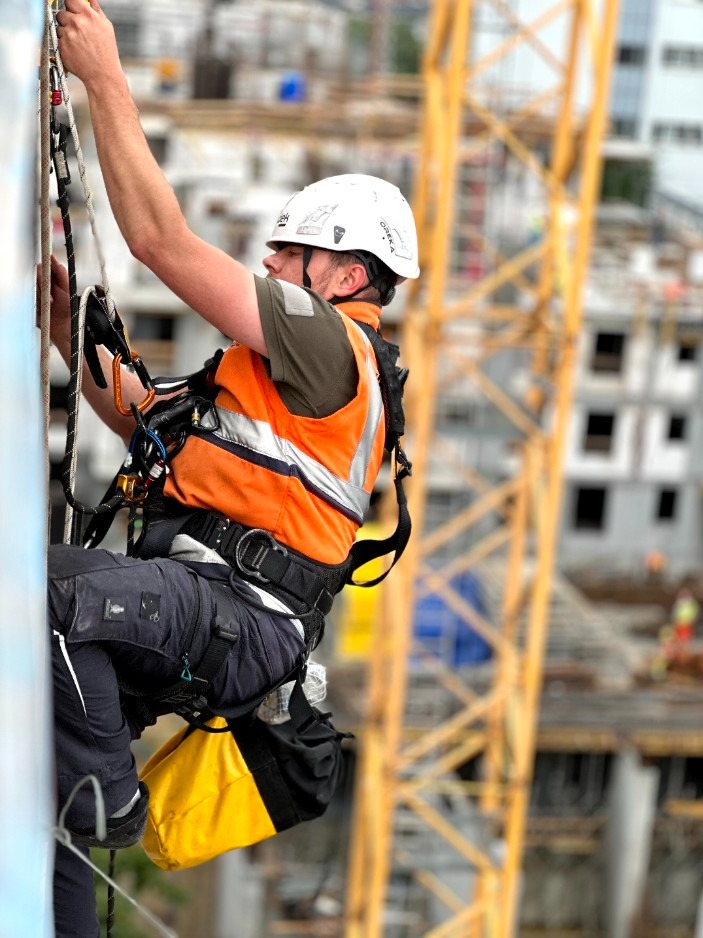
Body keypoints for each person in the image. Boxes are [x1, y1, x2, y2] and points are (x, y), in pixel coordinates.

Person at [48, 1, 419, 934]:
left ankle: (111, 804)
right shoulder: (277, 373)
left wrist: (105, 79)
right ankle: (70, 841)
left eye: (292, 252)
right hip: (203, 604)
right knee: (33, 759)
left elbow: (161, 244)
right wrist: (62, 323)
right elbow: (146, 425)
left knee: (43, 599)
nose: (271, 261)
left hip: (239, 619)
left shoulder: (332, 345)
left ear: (344, 274)